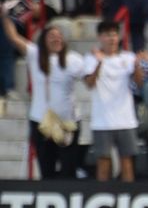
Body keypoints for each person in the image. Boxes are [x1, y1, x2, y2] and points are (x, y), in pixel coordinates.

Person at [1, 14, 85, 179]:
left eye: (59, 36)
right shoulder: (35, 53)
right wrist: (4, 16)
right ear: (43, 40)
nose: (56, 39)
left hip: (67, 121)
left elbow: (89, 80)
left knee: (69, 169)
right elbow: (13, 37)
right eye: (52, 36)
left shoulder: (73, 58)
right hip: (41, 121)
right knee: (47, 169)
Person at [83, 19, 143, 182]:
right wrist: (99, 63)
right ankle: (103, 199)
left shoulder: (128, 57)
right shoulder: (91, 58)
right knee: (103, 163)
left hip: (126, 120)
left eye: (115, 35)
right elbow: (89, 83)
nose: (112, 39)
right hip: (102, 120)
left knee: (127, 162)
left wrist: (137, 66)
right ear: (100, 37)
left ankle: (128, 199)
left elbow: (138, 84)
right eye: (107, 35)